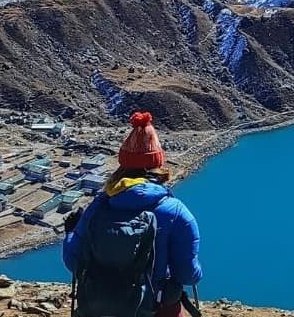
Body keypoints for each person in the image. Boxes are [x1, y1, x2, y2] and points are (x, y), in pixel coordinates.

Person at [63, 111, 202, 317]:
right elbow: (188, 275)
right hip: (154, 307)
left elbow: (73, 262)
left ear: (123, 165)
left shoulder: (99, 206)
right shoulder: (175, 211)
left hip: (99, 305)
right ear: (158, 164)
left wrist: (70, 233)